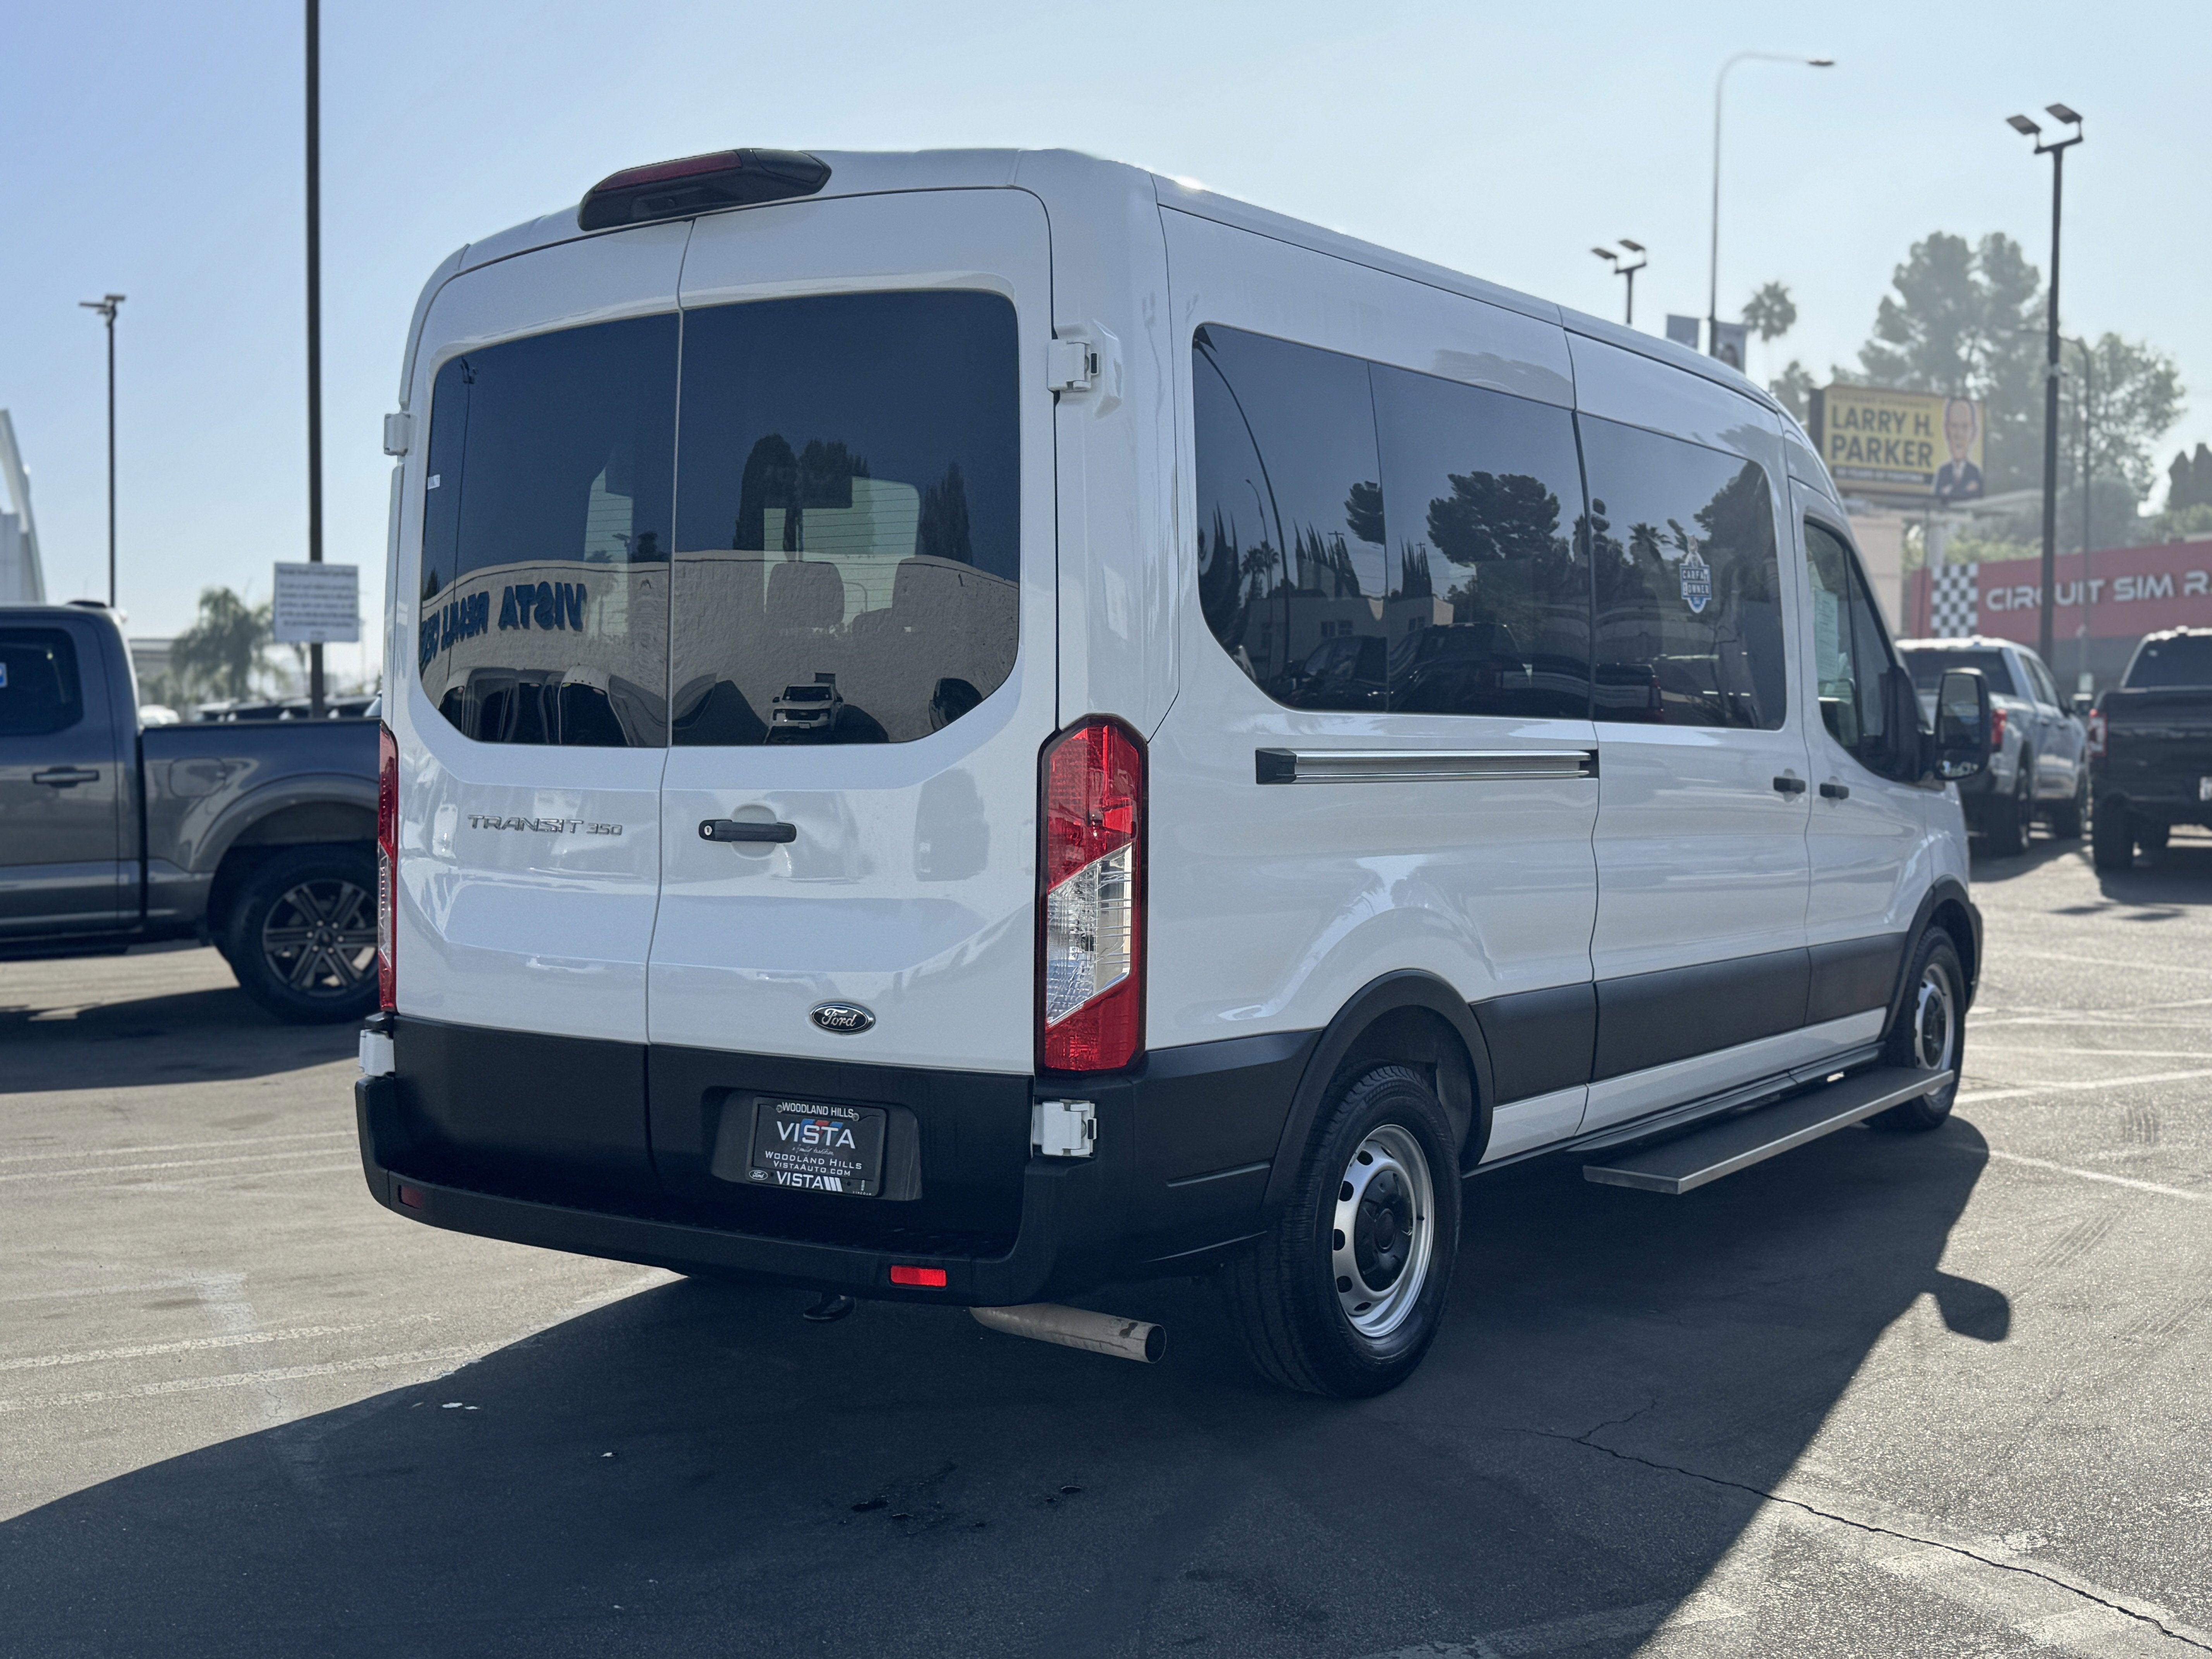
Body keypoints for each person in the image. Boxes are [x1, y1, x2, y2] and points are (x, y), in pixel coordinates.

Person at [1933, 398, 1984, 502]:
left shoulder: (1975, 472)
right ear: (1947, 431)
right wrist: (1965, 490)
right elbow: (1937, 501)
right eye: (1954, 426)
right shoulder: (1943, 472)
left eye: (1965, 427)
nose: (1959, 435)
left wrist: (1950, 491)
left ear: (1973, 433)